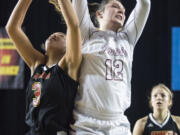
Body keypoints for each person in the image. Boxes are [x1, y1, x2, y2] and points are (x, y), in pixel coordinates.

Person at [67, 0, 151, 134]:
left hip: (118, 123)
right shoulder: (87, 33)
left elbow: (145, 4)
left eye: (123, 11)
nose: (121, 11)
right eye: (115, 6)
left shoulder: (128, 38)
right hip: (87, 122)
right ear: (99, 14)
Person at [5, 0, 81, 134]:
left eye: (62, 36)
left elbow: (73, 26)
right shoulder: (37, 64)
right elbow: (12, 28)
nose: (55, 34)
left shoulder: (68, 65)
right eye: (53, 34)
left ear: (69, 46)